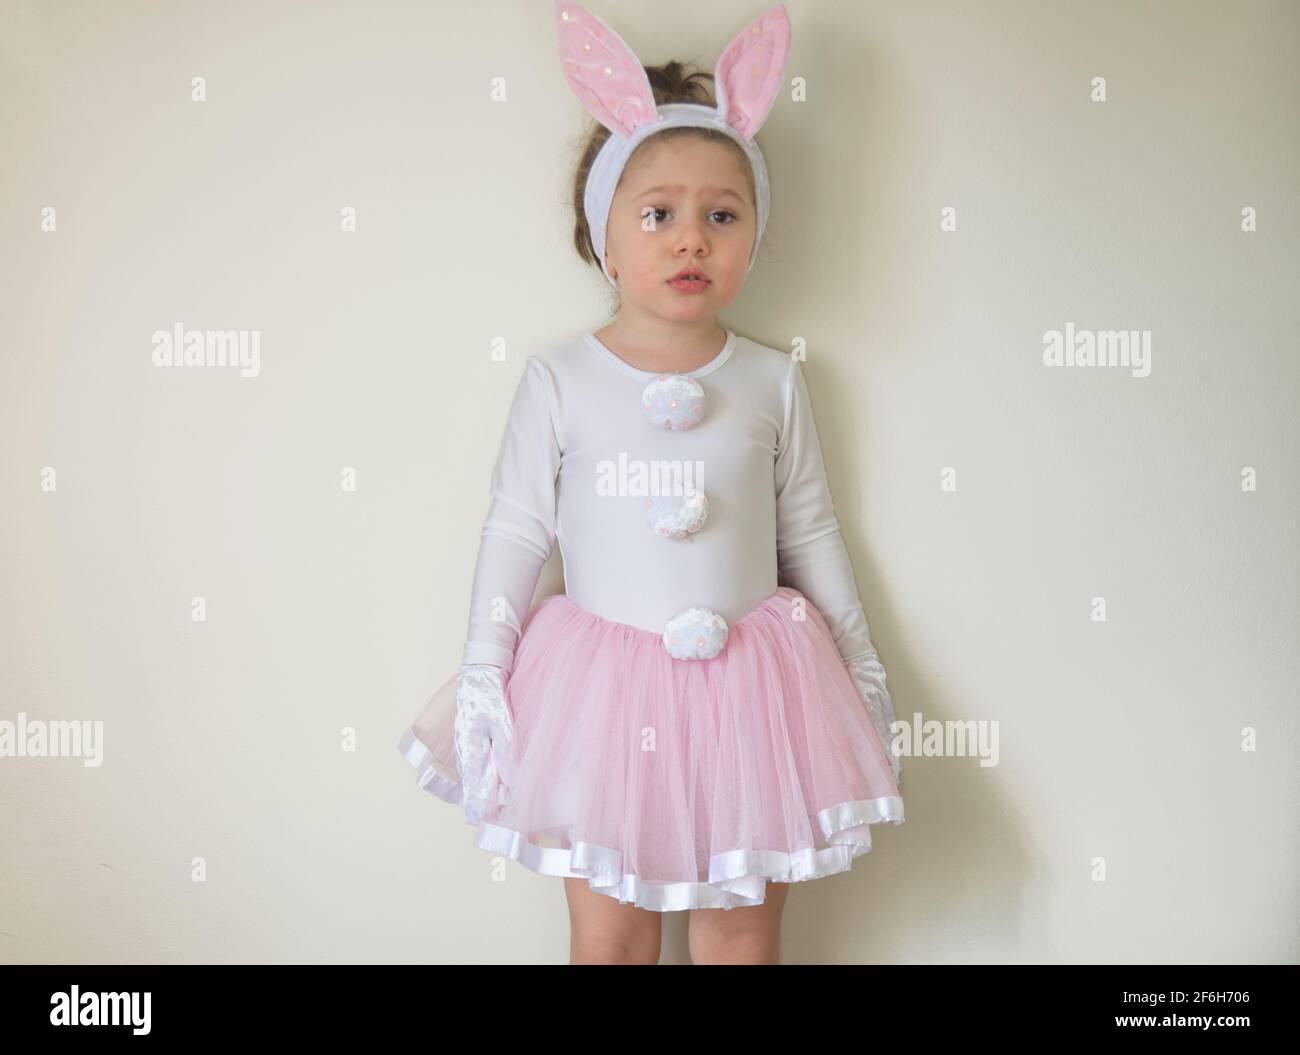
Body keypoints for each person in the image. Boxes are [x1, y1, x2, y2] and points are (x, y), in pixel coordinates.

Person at [398, 0, 904, 965]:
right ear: (604, 237)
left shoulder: (773, 378)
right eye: (659, 214)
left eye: (722, 215)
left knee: (743, 928)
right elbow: (516, 530)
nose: (690, 240)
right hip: (597, 693)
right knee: (610, 930)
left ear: (755, 235)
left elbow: (811, 528)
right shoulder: (559, 380)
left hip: (758, 695)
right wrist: (483, 668)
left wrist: (861, 657)